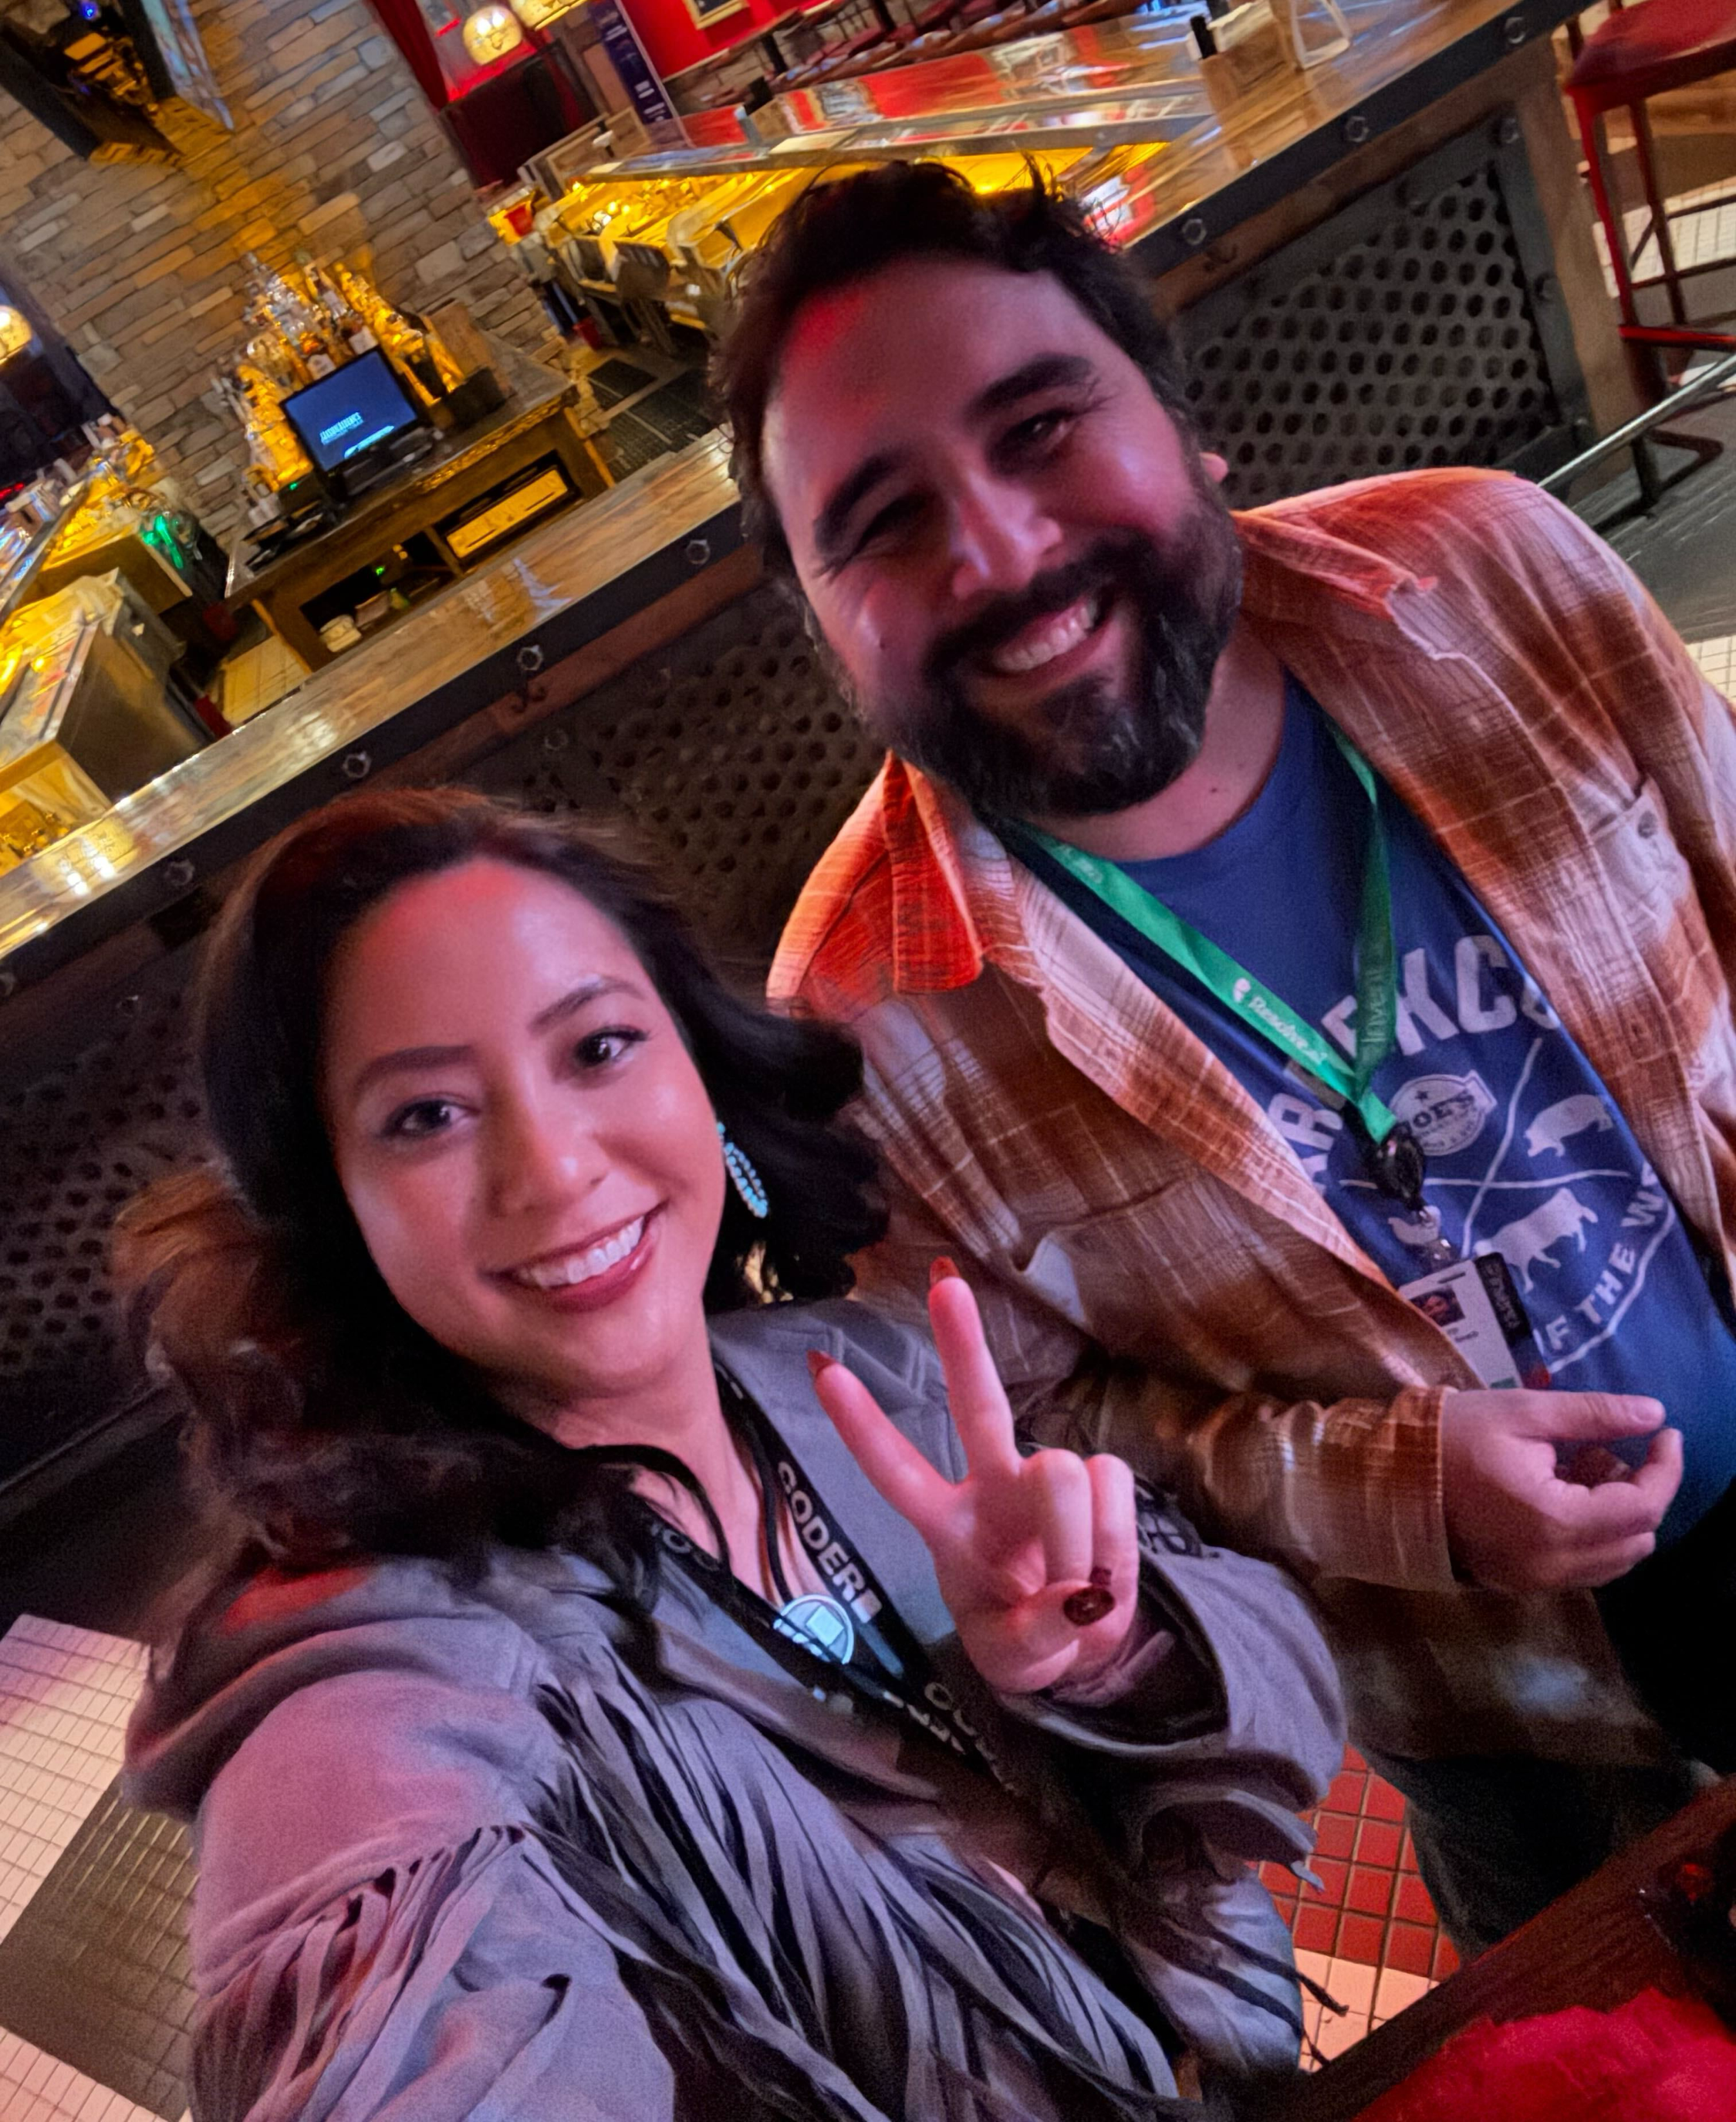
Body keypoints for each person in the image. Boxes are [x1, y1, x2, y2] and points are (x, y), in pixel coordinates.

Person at [717, 158, 1736, 1956]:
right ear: (813, 616)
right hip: (1527, 1731)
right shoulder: (862, 1028)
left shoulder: (1492, 575)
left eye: (1040, 426)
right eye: (879, 520)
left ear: (1182, 427)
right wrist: (1392, 1480)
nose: (1001, 552)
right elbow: (1047, 1437)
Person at [120, 788, 1343, 2120]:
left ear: (698, 1067)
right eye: (425, 1116)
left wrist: (1102, 1657)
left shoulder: (872, 1371)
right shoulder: (388, 1674)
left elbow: (1277, 1753)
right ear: (334, 1213)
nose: (555, 1170)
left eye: (595, 1048)